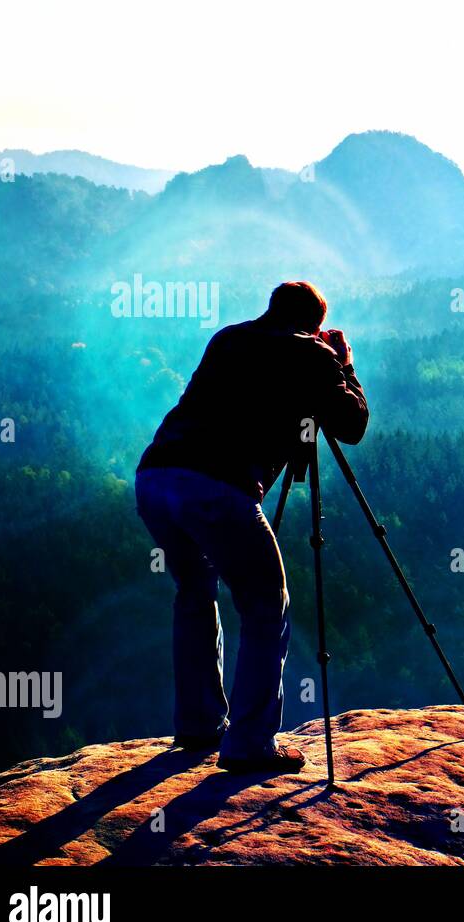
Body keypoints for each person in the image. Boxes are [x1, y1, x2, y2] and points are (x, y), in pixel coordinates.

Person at [135, 281, 368, 773]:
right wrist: (343, 362)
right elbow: (352, 425)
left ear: (271, 308)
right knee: (266, 604)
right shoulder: (312, 353)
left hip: (156, 478)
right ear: (315, 323)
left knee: (195, 593)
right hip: (217, 489)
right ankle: (249, 743)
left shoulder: (228, 338)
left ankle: (200, 725)